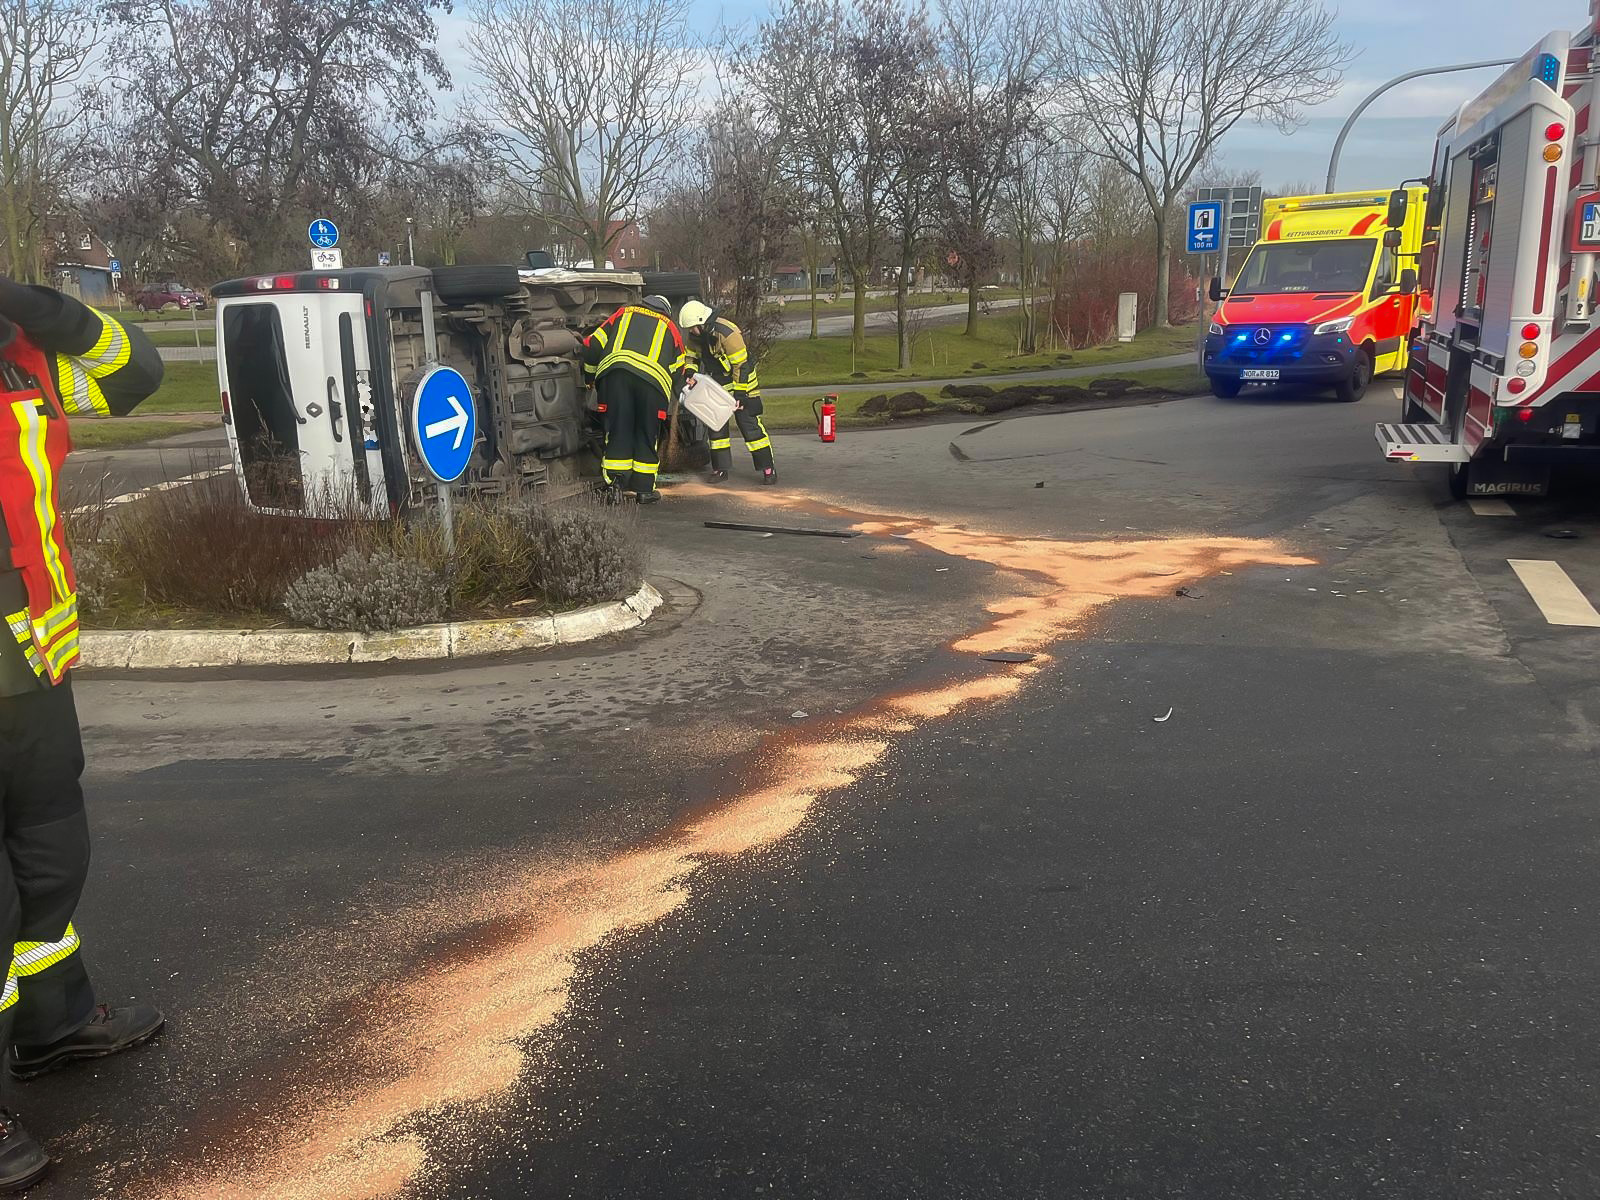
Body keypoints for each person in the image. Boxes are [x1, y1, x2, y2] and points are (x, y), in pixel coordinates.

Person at [0, 277, 166, 1191]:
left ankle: (52, 1022)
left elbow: (131, 372)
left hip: (27, 664)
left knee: (51, 853)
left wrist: (43, 308)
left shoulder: (19, 357)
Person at [582, 294, 686, 504]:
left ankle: (616, 487)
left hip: (615, 380)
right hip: (652, 386)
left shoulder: (623, 314)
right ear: (666, 311)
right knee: (646, 434)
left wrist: (590, 379)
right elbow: (678, 370)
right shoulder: (671, 329)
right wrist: (683, 392)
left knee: (618, 431)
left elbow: (591, 345)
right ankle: (644, 491)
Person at [677, 301, 776, 485]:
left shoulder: (727, 333)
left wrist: (740, 395)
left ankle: (767, 468)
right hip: (717, 384)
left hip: (743, 384)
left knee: (749, 425)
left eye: (692, 328)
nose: (690, 332)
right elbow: (690, 356)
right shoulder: (697, 336)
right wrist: (690, 373)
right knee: (715, 427)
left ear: (702, 322)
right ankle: (720, 469)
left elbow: (741, 366)